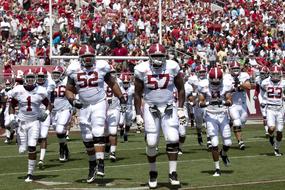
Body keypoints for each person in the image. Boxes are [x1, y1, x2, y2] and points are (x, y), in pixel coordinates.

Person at [65, 45, 126, 183]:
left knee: (98, 131)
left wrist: (121, 98)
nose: (88, 60)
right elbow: (68, 89)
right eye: (85, 58)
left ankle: (101, 163)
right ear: (80, 59)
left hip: (99, 102)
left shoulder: (102, 66)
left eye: (90, 58)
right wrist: (73, 101)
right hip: (84, 105)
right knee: (87, 137)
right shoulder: (74, 68)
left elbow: (112, 83)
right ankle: (93, 164)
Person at [134, 43, 186, 188]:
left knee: (174, 138)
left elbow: (181, 89)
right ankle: (153, 172)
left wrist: (181, 108)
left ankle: (173, 173)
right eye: (155, 56)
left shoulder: (172, 66)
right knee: (151, 142)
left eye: (160, 56)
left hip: (169, 107)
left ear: (165, 56)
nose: (157, 59)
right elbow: (137, 94)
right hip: (151, 108)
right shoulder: (141, 69)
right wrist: (138, 114)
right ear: (149, 57)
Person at [9, 69, 51, 182]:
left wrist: (46, 113)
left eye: (32, 77)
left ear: (35, 78)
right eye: (28, 78)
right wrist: (12, 117)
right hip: (21, 123)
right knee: (23, 149)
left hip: (34, 122)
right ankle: (20, 143)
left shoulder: (41, 91)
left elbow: (48, 104)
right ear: (24, 79)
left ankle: (30, 173)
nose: (30, 80)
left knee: (32, 146)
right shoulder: (18, 90)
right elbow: (12, 105)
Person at [198, 67, 233, 176]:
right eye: (214, 82)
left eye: (218, 81)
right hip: (210, 115)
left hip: (222, 114)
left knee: (228, 143)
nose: (216, 84)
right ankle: (217, 168)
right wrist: (210, 103)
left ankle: (223, 153)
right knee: (214, 143)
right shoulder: (203, 85)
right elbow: (200, 103)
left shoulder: (226, 85)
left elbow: (229, 101)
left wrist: (222, 101)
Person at [224, 61, 251, 150]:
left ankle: (230, 124)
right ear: (230, 69)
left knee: (243, 120)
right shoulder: (226, 77)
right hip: (233, 104)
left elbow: (249, 86)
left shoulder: (244, 75)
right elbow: (225, 91)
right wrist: (233, 88)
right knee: (237, 122)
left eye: (237, 69)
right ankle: (240, 142)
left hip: (242, 104)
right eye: (234, 69)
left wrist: (240, 84)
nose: (235, 71)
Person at [261, 65, 285, 156]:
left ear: (280, 74)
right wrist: (264, 100)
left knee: (279, 131)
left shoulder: (283, 83)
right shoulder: (265, 82)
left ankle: (276, 149)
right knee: (271, 128)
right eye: (273, 74)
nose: (275, 76)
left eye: (277, 74)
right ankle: (271, 137)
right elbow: (263, 92)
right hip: (270, 108)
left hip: (280, 109)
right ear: (270, 74)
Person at [35, 67, 56, 169]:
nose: (40, 78)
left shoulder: (50, 86)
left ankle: (41, 160)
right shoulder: (30, 85)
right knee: (35, 136)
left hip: (44, 112)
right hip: (33, 113)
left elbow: (51, 103)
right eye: (38, 76)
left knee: (43, 136)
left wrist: (47, 112)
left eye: (42, 76)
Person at [51, 65, 71, 162]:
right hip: (54, 111)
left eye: (57, 74)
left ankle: (62, 150)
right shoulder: (50, 83)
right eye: (54, 73)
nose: (55, 76)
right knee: (59, 132)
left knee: (60, 130)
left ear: (62, 74)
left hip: (65, 109)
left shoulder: (67, 82)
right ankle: (64, 148)